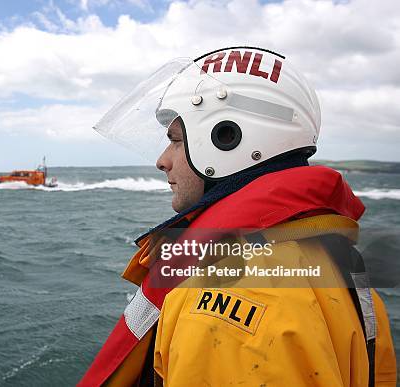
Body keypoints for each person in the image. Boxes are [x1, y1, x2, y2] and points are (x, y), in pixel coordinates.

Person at [79, 47, 396, 386]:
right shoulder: (325, 254)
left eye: (174, 140)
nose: (162, 160)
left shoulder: (226, 295)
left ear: (226, 139)